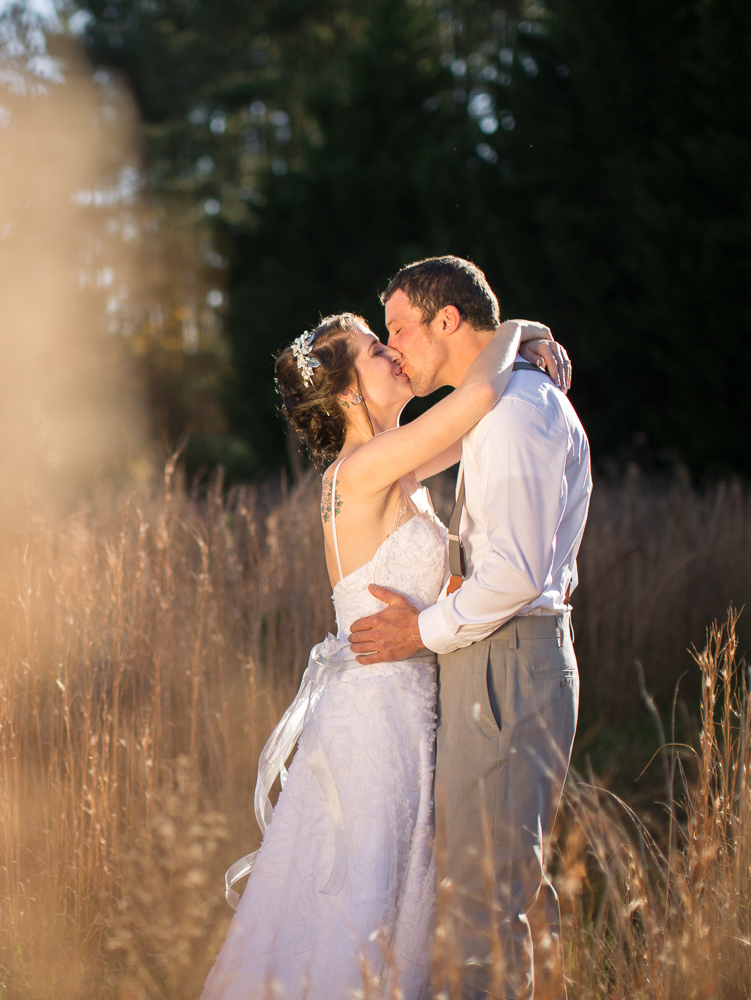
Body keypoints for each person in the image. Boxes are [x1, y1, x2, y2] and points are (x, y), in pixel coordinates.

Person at [201, 291, 570, 999]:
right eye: (377, 349)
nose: (394, 352)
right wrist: (523, 331)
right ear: (346, 390)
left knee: (403, 904)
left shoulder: (399, 468)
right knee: (359, 904)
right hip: (373, 724)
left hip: (414, 712)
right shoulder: (355, 472)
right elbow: (478, 396)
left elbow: (483, 412)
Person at [348, 256, 590, 1000]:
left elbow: (515, 576)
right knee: (499, 885)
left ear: (447, 320)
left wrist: (423, 630)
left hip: (507, 662)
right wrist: (526, 337)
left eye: (399, 329)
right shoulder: (501, 402)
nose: (393, 349)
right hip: (496, 660)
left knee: (487, 899)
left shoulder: (516, 412)